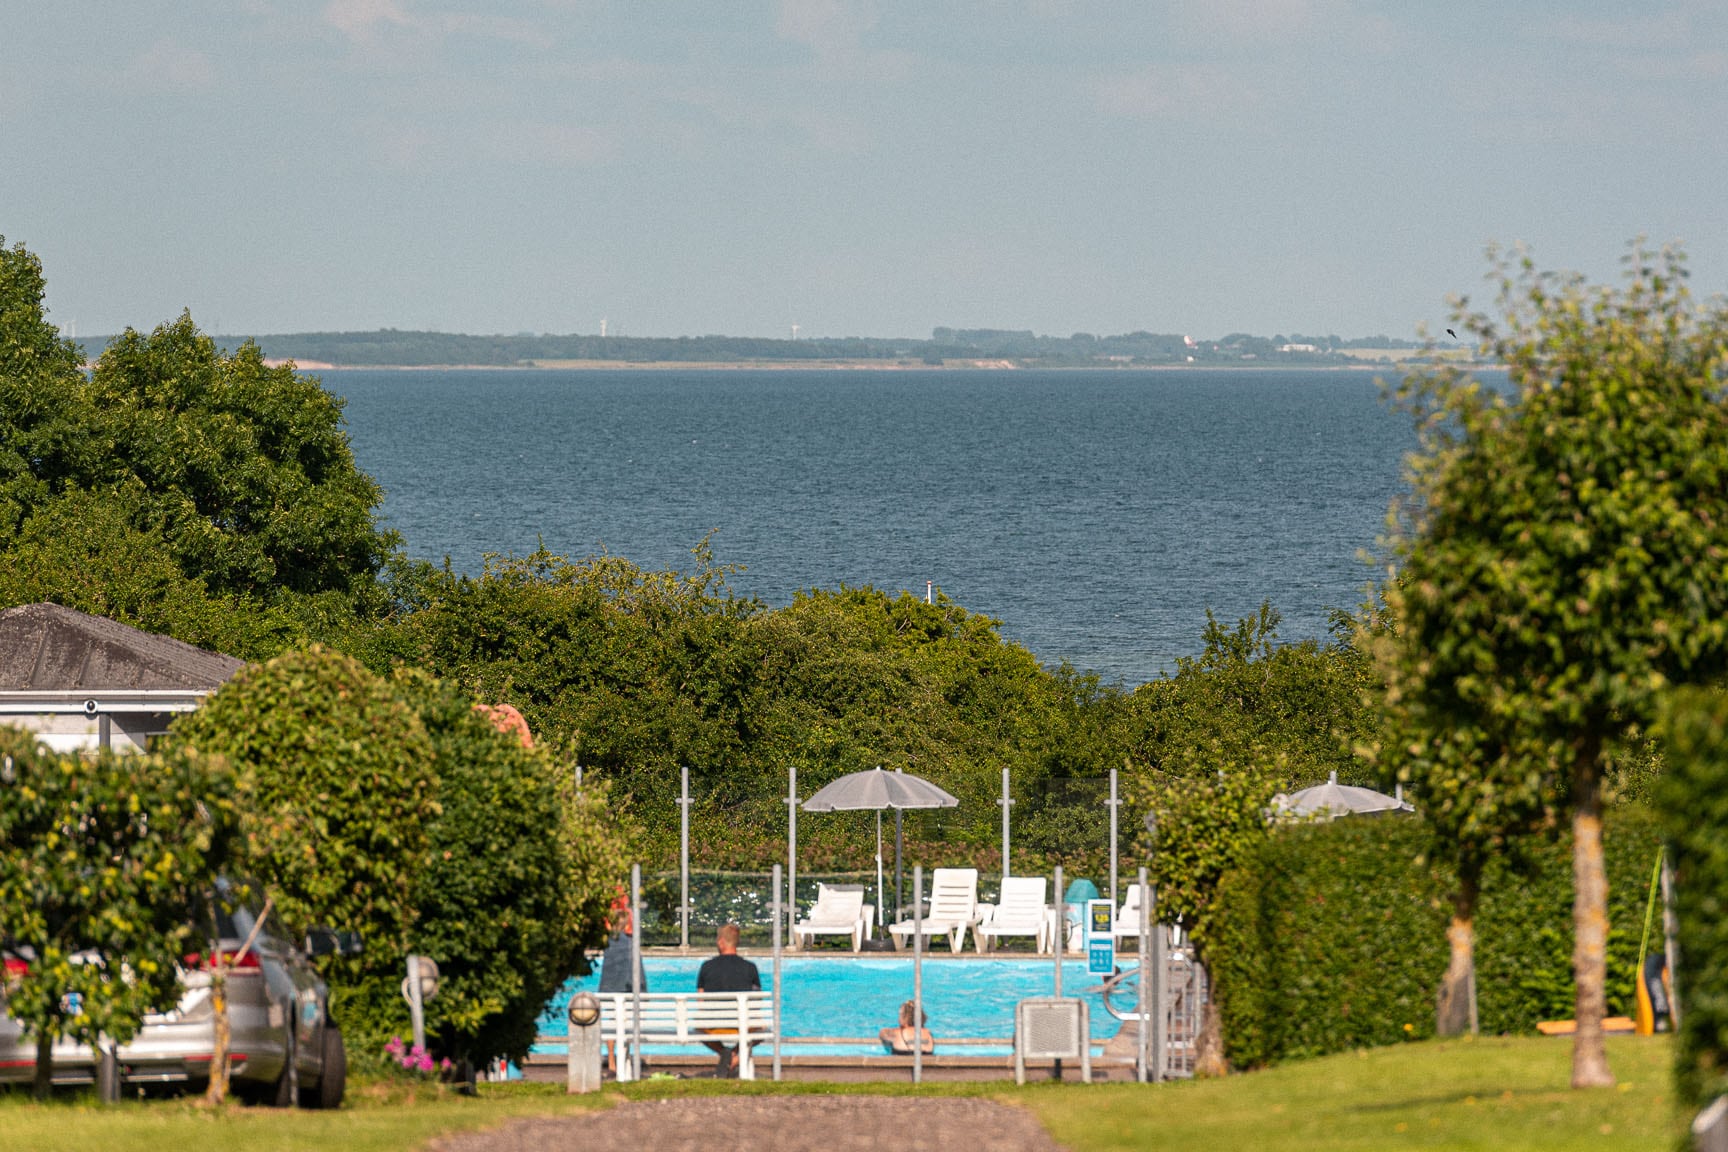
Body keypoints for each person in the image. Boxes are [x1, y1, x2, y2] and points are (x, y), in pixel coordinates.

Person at [696, 923, 760, 1078]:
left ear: (721, 942)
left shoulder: (707, 967)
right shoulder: (750, 968)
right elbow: (755, 1003)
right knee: (760, 1030)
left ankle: (724, 1052)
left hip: (713, 1025)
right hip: (741, 1025)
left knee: (697, 1029)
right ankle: (736, 1054)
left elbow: (701, 1002)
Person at [597, 888, 645, 1074]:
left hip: (610, 987)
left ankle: (611, 1060)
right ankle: (625, 1056)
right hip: (628, 987)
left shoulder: (610, 943)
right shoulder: (631, 941)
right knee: (626, 1018)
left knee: (611, 1019)